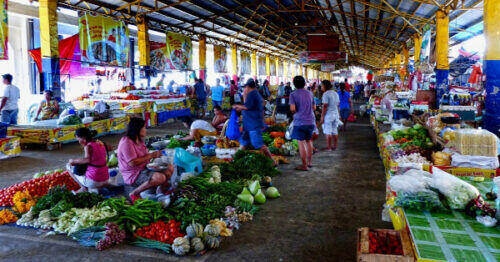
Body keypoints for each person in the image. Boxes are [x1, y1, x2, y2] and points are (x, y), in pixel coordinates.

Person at [117, 118, 174, 200]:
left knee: (170, 168)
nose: (145, 130)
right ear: (137, 128)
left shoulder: (139, 140)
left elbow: (145, 155)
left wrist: (155, 156)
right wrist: (151, 155)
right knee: (160, 177)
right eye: (144, 127)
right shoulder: (127, 142)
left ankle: (160, 191)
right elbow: (132, 162)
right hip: (133, 174)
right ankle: (134, 193)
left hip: (144, 168)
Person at [233, 79, 277, 166]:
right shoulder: (254, 94)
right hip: (249, 123)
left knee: (258, 144)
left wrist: (237, 106)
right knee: (244, 142)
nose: (245, 89)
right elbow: (250, 106)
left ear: (248, 87)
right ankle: (235, 159)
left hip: (253, 124)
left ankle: (272, 161)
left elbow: (247, 107)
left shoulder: (253, 94)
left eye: (245, 88)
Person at [68, 128, 110, 193]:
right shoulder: (101, 143)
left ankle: (83, 187)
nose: (78, 141)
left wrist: (73, 161)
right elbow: (110, 148)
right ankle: (96, 187)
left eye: (78, 138)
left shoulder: (88, 146)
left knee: (68, 166)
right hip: (106, 179)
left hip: (94, 182)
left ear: (83, 138)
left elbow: (87, 159)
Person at [289, 76, 315, 171]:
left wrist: (295, 112)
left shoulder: (293, 94)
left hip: (300, 122)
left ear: (294, 84)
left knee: (301, 142)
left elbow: (292, 109)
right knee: (309, 141)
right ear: (304, 83)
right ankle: (309, 163)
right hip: (311, 121)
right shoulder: (310, 93)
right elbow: (314, 108)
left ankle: (304, 166)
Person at [319, 80, 340, 151]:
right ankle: (335, 146)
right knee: (334, 130)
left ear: (325, 86)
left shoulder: (325, 94)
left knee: (328, 131)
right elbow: (338, 104)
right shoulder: (335, 93)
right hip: (335, 114)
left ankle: (329, 147)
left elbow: (325, 106)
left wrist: (322, 117)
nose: (321, 87)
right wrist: (338, 114)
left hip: (329, 115)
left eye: (321, 85)